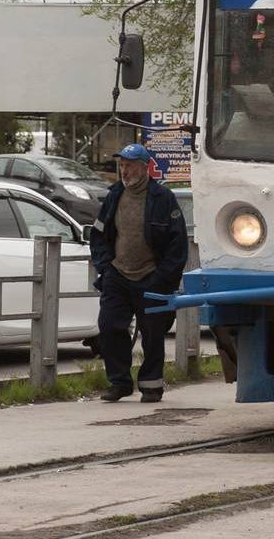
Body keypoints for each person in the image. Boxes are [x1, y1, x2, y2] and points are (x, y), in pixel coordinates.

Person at [90, 143, 188, 402]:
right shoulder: (113, 196)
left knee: (153, 333)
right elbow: (98, 234)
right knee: (109, 327)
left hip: (151, 277)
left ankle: (151, 385)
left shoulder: (163, 198)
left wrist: (162, 278)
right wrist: (104, 267)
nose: (124, 170)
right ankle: (119, 382)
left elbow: (177, 245)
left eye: (130, 165)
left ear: (145, 168)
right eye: (121, 165)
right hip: (117, 275)